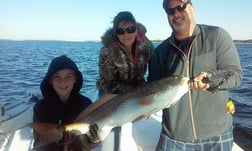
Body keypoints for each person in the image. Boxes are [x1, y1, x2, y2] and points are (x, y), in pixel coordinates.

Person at [148, 0, 243, 151]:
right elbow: (152, 91)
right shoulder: (159, 53)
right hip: (175, 137)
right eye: (170, 11)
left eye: (180, 7)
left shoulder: (217, 36)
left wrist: (210, 79)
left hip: (217, 135)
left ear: (192, 8)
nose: (176, 14)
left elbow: (235, 74)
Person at [96, 11, 154, 151]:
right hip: (112, 90)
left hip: (137, 86)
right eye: (121, 31)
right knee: (111, 120)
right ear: (115, 33)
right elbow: (108, 83)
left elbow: (155, 70)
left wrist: (149, 90)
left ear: (136, 28)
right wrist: (133, 94)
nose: (126, 34)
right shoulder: (107, 51)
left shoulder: (146, 45)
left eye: (130, 29)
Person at [33, 55, 99, 151]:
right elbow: (39, 144)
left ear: (75, 79)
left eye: (68, 76)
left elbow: (88, 142)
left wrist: (93, 139)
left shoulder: (86, 104)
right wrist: (57, 142)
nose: (63, 82)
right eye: (57, 77)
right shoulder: (40, 108)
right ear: (50, 80)